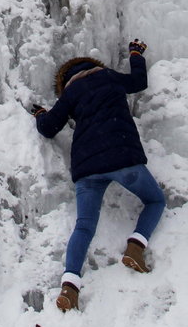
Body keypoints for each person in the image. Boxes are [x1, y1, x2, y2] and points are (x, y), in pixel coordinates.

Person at [31, 39, 165, 312]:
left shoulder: (69, 94)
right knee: (155, 201)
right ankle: (135, 247)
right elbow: (138, 82)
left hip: (87, 168)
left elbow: (48, 128)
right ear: (94, 67)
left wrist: (41, 113)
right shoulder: (108, 77)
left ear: (66, 80)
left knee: (83, 226)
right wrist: (136, 54)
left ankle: (69, 288)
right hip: (121, 156)